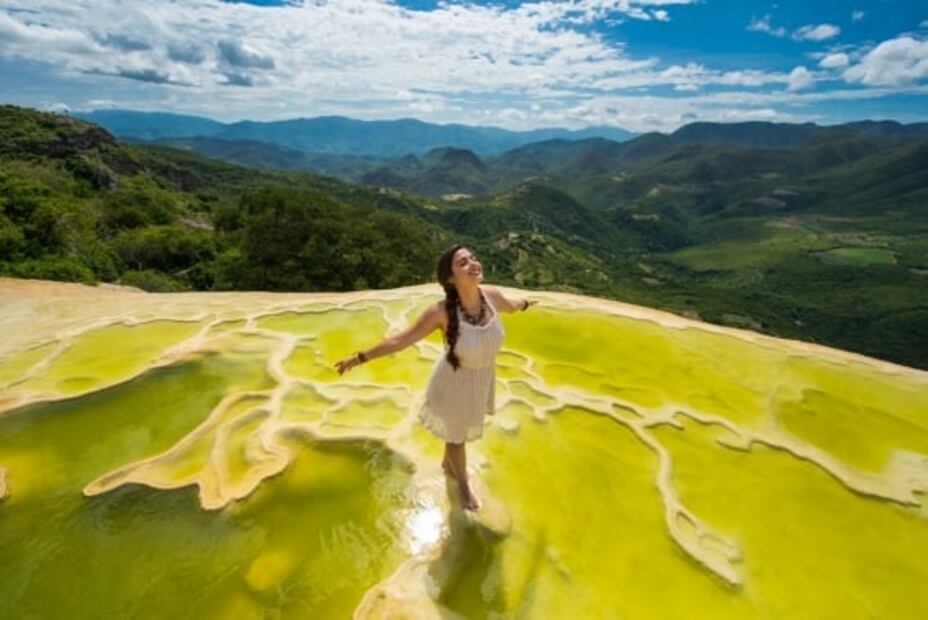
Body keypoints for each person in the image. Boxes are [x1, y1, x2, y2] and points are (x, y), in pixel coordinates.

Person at [335, 244, 537, 510]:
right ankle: (463, 486)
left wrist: (524, 304)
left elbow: (510, 305)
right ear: (451, 278)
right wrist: (360, 357)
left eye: (474, 258)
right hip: (453, 383)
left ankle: (447, 465)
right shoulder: (441, 312)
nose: (474, 263)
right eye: (463, 262)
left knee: (456, 431)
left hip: (481, 379)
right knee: (456, 438)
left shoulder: (492, 296)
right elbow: (401, 340)